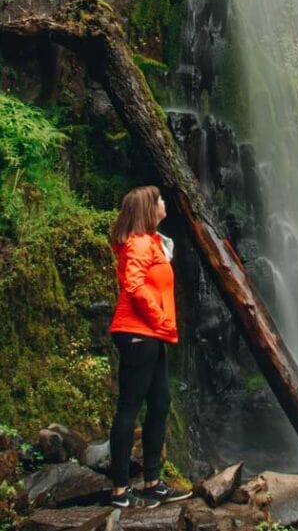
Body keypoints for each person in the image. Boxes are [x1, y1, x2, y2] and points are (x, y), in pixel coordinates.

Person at [108, 185, 192, 509]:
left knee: (160, 403)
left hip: (151, 334)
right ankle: (119, 490)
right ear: (148, 207)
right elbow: (133, 284)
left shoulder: (152, 242)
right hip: (137, 333)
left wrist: (160, 325)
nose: (164, 203)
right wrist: (159, 318)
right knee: (130, 407)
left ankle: (152, 482)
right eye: (159, 200)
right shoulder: (140, 243)